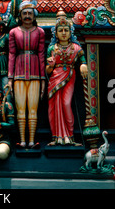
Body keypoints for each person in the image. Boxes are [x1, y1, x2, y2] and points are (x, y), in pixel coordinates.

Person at [8, 0, 46, 148]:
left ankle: (31, 140)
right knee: (21, 109)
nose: (27, 16)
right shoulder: (14, 32)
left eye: (30, 13)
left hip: (36, 73)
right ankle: (22, 140)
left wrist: (43, 79)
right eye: (25, 13)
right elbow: (11, 54)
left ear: (34, 15)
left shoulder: (40, 32)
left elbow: (42, 55)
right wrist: (10, 78)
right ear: (20, 16)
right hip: (18, 73)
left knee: (33, 109)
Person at [46, 14, 88, 145]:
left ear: (71, 32)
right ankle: (57, 136)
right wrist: (50, 66)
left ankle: (69, 135)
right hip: (55, 78)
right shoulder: (52, 48)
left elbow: (83, 60)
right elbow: (47, 70)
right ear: (56, 34)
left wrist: (83, 65)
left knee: (66, 104)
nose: (63, 33)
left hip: (69, 75)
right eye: (60, 30)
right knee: (54, 106)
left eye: (66, 30)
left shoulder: (76, 48)